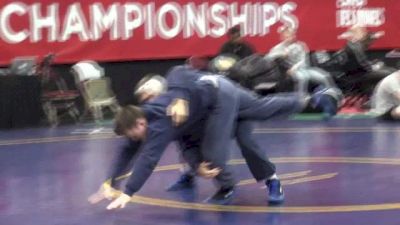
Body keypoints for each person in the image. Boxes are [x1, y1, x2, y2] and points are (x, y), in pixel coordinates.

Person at [95, 66, 311, 210]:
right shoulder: (145, 120)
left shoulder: (162, 120)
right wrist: (110, 180)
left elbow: (149, 158)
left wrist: (128, 192)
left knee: (217, 153)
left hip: (220, 95)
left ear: (140, 124)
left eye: (133, 134)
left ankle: (229, 187)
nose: (134, 139)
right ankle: (303, 101)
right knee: (257, 111)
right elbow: (180, 143)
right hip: (215, 100)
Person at [265, 26, 339, 96]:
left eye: (292, 35)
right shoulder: (278, 48)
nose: (290, 38)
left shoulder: (301, 45)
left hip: (305, 68)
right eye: (287, 36)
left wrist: (295, 67)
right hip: (291, 72)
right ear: (282, 37)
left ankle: (334, 96)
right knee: (302, 78)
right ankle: (300, 100)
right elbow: (268, 58)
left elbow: (304, 60)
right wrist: (281, 54)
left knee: (324, 76)